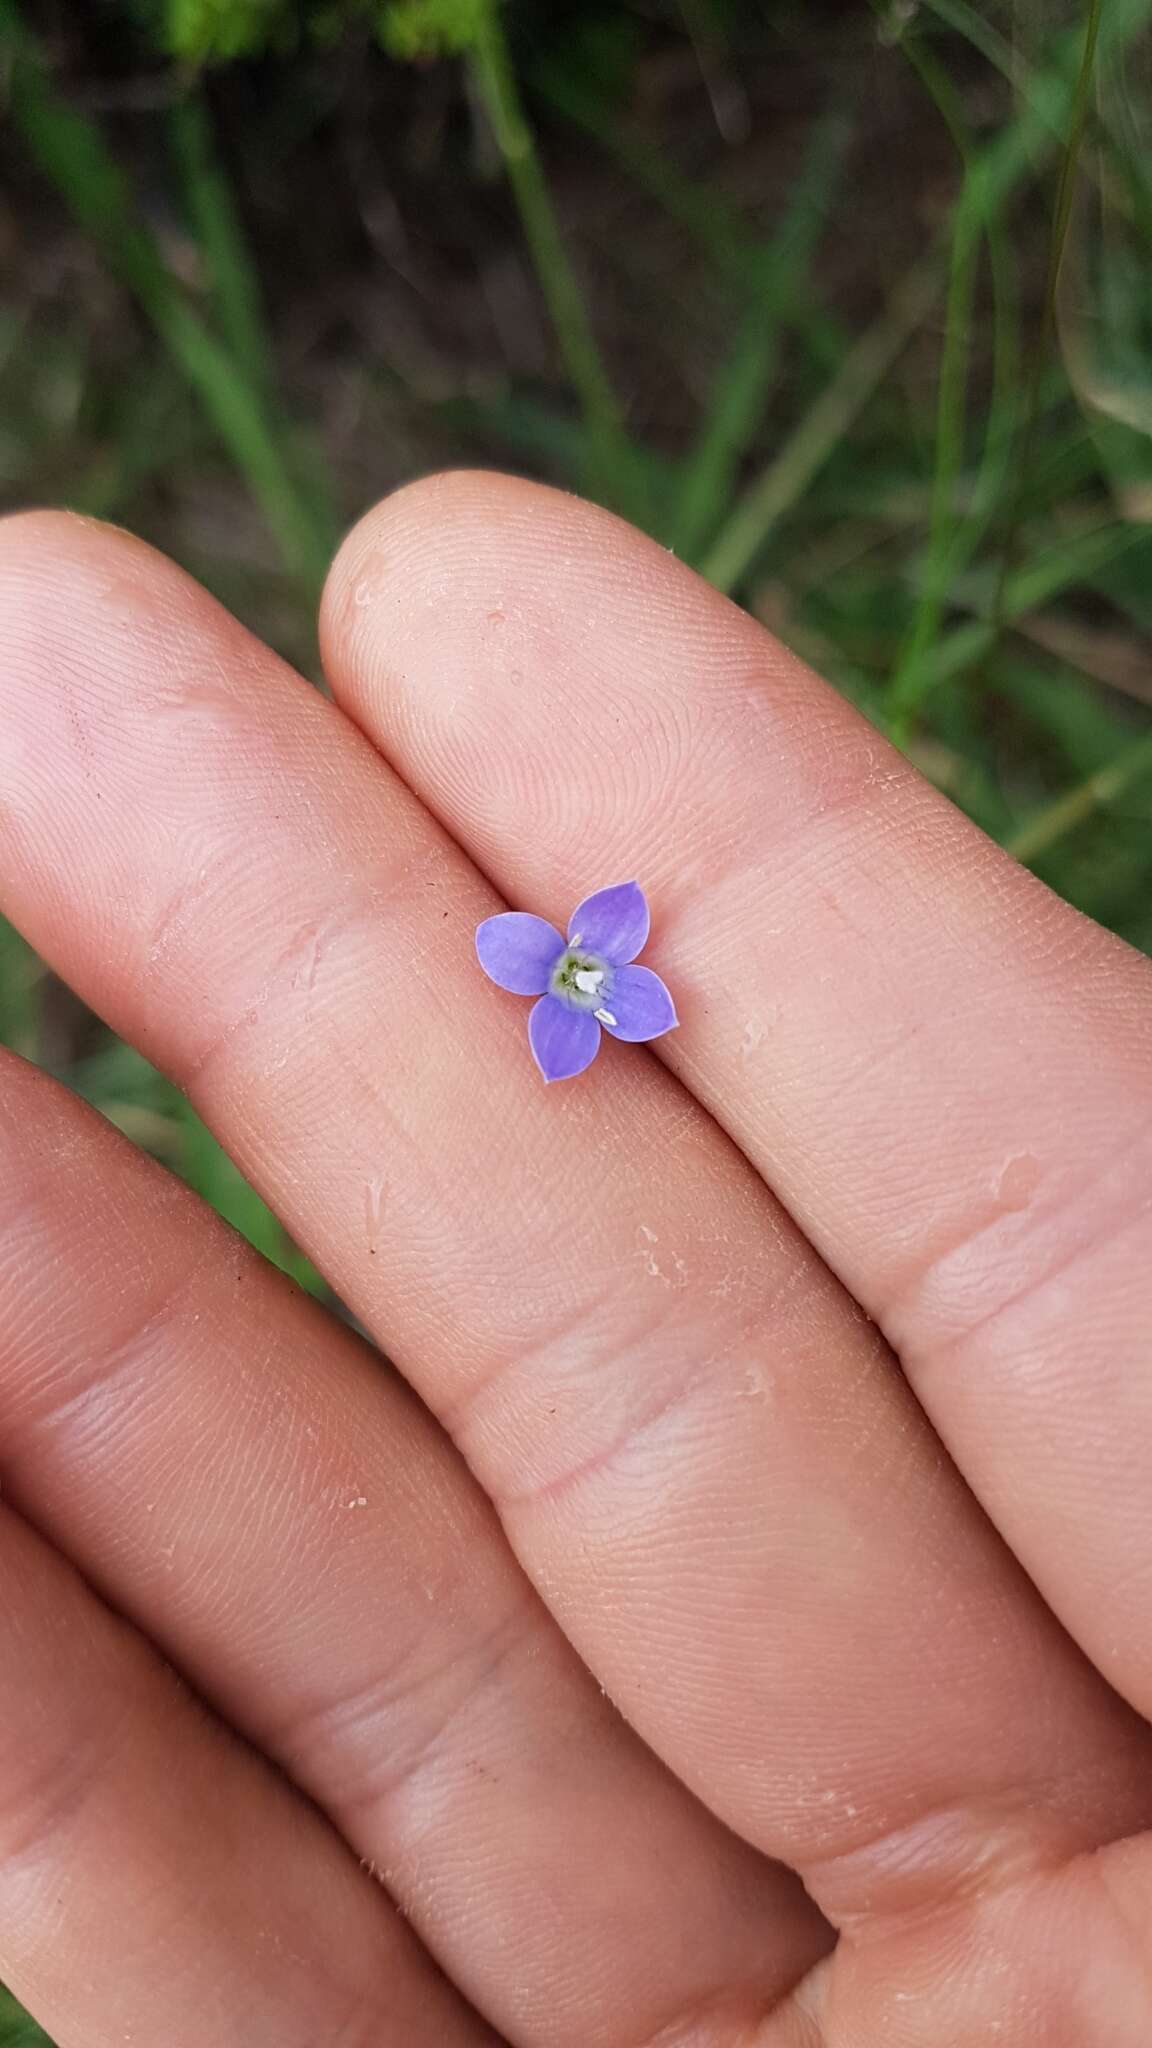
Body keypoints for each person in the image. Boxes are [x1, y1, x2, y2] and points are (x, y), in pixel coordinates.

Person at [0, 471, 1149, 2048]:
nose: (590, 971)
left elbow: (609, 971)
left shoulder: (592, 990)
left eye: (590, 967)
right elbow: (563, 968)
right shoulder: (549, 981)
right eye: (579, 970)